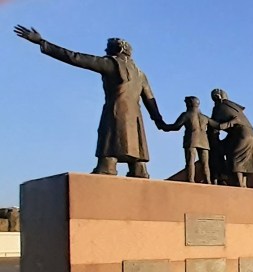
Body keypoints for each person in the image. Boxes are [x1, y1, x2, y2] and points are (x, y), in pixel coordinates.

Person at [13, 25, 166, 178]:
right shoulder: (140, 74)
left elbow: (75, 58)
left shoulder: (111, 63)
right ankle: (139, 169)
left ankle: (108, 167)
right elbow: (150, 101)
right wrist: (160, 122)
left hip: (116, 112)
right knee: (136, 155)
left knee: (109, 151)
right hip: (135, 118)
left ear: (118, 50)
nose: (106, 51)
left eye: (108, 48)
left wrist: (42, 42)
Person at [159, 96, 232, 184]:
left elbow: (176, 127)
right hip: (204, 142)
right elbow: (218, 126)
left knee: (190, 162)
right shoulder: (204, 117)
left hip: (191, 140)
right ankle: (208, 180)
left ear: (189, 104)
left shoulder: (186, 115)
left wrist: (163, 126)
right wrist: (232, 122)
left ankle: (191, 180)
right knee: (205, 164)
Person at [208, 89, 253, 187]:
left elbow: (217, 127)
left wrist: (206, 120)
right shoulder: (235, 108)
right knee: (245, 160)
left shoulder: (219, 107)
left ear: (217, 97)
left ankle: (239, 184)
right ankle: (243, 184)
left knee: (235, 158)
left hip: (241, 135)